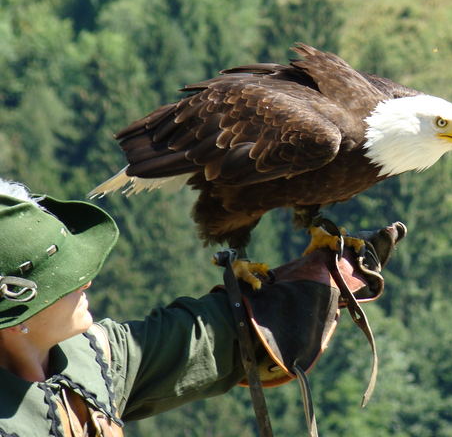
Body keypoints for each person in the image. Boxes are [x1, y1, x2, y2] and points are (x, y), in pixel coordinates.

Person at [0, 179, 399, 436]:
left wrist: (316, 278)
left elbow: (211, 339)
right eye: (65, 277)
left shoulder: (93, 356)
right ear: (14, 314)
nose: (86, 280)